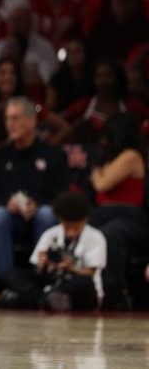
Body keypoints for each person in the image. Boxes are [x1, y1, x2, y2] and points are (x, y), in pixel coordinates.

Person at [0, 97, 71, 276]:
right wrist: (7, 204)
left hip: (41, 217)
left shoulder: (54, 155)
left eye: (16, 118)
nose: (10, 124)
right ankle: (5, 278)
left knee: (47, 213)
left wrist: (38, 204)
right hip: (9, 219)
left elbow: (62, 196)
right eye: (7, 119)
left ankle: (44, 276)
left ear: (32, 121)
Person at [0, 191, 106, 311]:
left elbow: (91, 273)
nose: (71, 232)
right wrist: (43, 265)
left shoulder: (96, 236)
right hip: (53, 283)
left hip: (76, 287)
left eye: (76, 228)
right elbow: (38, 270)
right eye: (67, 227)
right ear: (60, 220)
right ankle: (46, 298)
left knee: (85, 282)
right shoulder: (50, 234)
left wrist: (70, 268)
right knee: (9, 273)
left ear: (85, 220)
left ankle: (40, 299)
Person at [88, 113, 148, 308]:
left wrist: (96, 173)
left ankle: (116, 293)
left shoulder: (131, 155)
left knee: (109, 234)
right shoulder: (110, 158)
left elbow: (102, 183)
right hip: (104, 214)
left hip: (128, 217)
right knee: (82, 230)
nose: (103, 140)